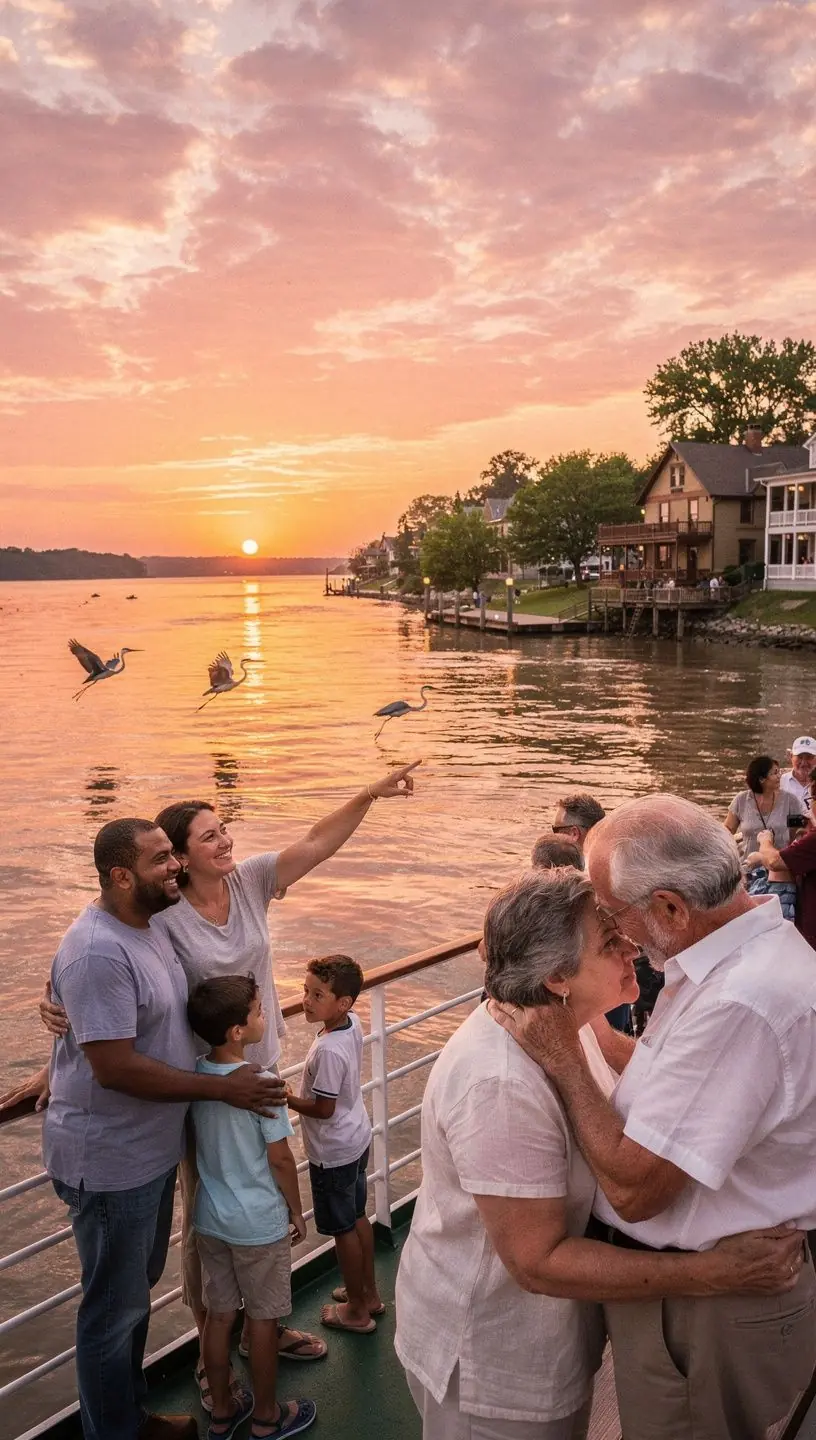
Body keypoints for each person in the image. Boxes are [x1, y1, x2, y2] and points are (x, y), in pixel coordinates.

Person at [27, 763, 420, 1401]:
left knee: (266, 1203)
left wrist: (370, 794)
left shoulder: (249, 882)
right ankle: (218, 1360)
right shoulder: (161, 909)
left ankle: (258, 1327)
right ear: (177, 860)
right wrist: (61, 1036)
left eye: (224, 829)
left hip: (256, 1074)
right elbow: (94, 954)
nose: (225, 842)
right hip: (198, 1084)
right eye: (208, 837)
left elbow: (318, 841)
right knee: (210, 1219)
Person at [395, 867, 805, 1440]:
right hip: (498, 1364)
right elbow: (536, 1261)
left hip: (555, 1335)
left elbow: (640, 1068)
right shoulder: (500, 1085)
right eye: (610, 941)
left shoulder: (566, 1024)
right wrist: (710, 1273)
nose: (632, 946)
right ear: (559, 975)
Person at [496, 797, 816, 1440]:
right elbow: (677, 1070)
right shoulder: (735, 958)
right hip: (708, 1299)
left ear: (671, 907)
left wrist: (562, 1056)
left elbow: (637, 1190)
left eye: (614, 916)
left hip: (708, 1314)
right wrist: (597, 1038)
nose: (614, 935)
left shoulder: (741, 1004)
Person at [39, 819, 285, 1440]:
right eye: (160, 860)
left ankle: (132, 1417)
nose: (175, 865)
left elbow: (85, 1014)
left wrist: (55, 1047)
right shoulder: (100, 950)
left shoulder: (144, 927)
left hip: (149, 1154)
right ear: (122, 876)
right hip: (110, 1160)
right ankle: (117, 1432)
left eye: (174, 854)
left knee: (131, 1300)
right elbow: (114, 1065)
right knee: (112, 1312)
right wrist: (223, 1087)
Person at [187, 975, 317, 1440]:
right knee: (263, 1321)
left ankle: (222, 1411)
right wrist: (296, 1209)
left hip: (211, 1219)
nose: (267, 1016)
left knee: (219, 1316)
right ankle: (267, 1417)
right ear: (238, 1031)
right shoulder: (262, 1084)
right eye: (260, 1011)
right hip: (258, 1222)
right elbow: (280, 1158)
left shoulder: (196, 1077)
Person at [286, 956, 380, 1334]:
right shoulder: (349, 1024)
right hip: (356, 1137)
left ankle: (358, 1310)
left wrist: (288, 1099)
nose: (306, 1000)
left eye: (317, 994)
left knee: (343, 1229)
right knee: (357, 1217)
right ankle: (369, 1293)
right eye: (306, 991)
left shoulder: (327, 1051)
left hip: (334, 1152)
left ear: (342, 1002)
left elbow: (323, 1108)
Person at [725, 753, 803, 856]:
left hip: (778, 867)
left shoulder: (791, 801)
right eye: (775, 773)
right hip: (748, 867)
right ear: (761, 779)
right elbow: (728, 831)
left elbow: (797, 833)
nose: (780, 776)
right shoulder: (741, 800)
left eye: (779, 772)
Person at [780, 735, 816, 813]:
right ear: (791, 757)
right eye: (799, 757)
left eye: (809, 757)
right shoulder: (779, 783)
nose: (804, 763)